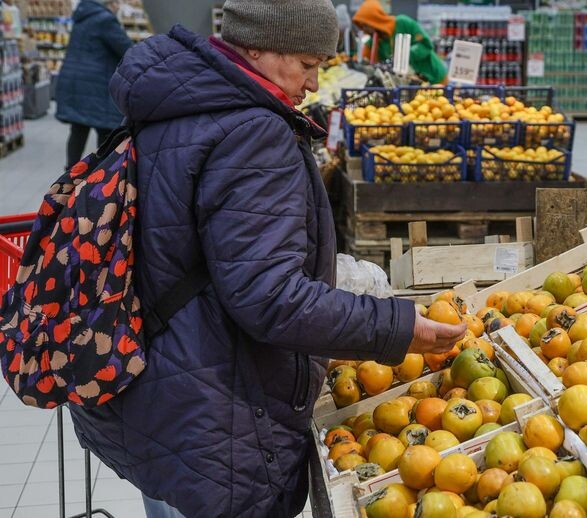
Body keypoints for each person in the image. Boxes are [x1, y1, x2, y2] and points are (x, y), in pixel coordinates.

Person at [67, 0, 466, 516]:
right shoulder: (252, 131)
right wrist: (393, 325)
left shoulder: (176, 99)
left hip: (157, 384)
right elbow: (269, 297)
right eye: (307, 65)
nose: (314, 84)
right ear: (255, 45)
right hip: (216, 411)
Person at [55, 0, 132, 167]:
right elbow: (126, 49)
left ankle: (68, 176)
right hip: (96, 85)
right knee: (105, 129)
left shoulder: (82, 17)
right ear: (109, 3)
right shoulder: (105, 20)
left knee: (78, 129)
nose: (118, 6)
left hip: (77, 81)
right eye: (117, 2)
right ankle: (102, 174)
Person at [352, 0, 447, 84]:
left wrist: (404, 55)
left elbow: (426, 44)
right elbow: (364, 59)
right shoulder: (375, 41)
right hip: (411, 84)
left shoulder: (403, 22)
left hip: (433, 76)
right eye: (362, 26)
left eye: (365, 25)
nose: (364, 29)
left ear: (374, 19)